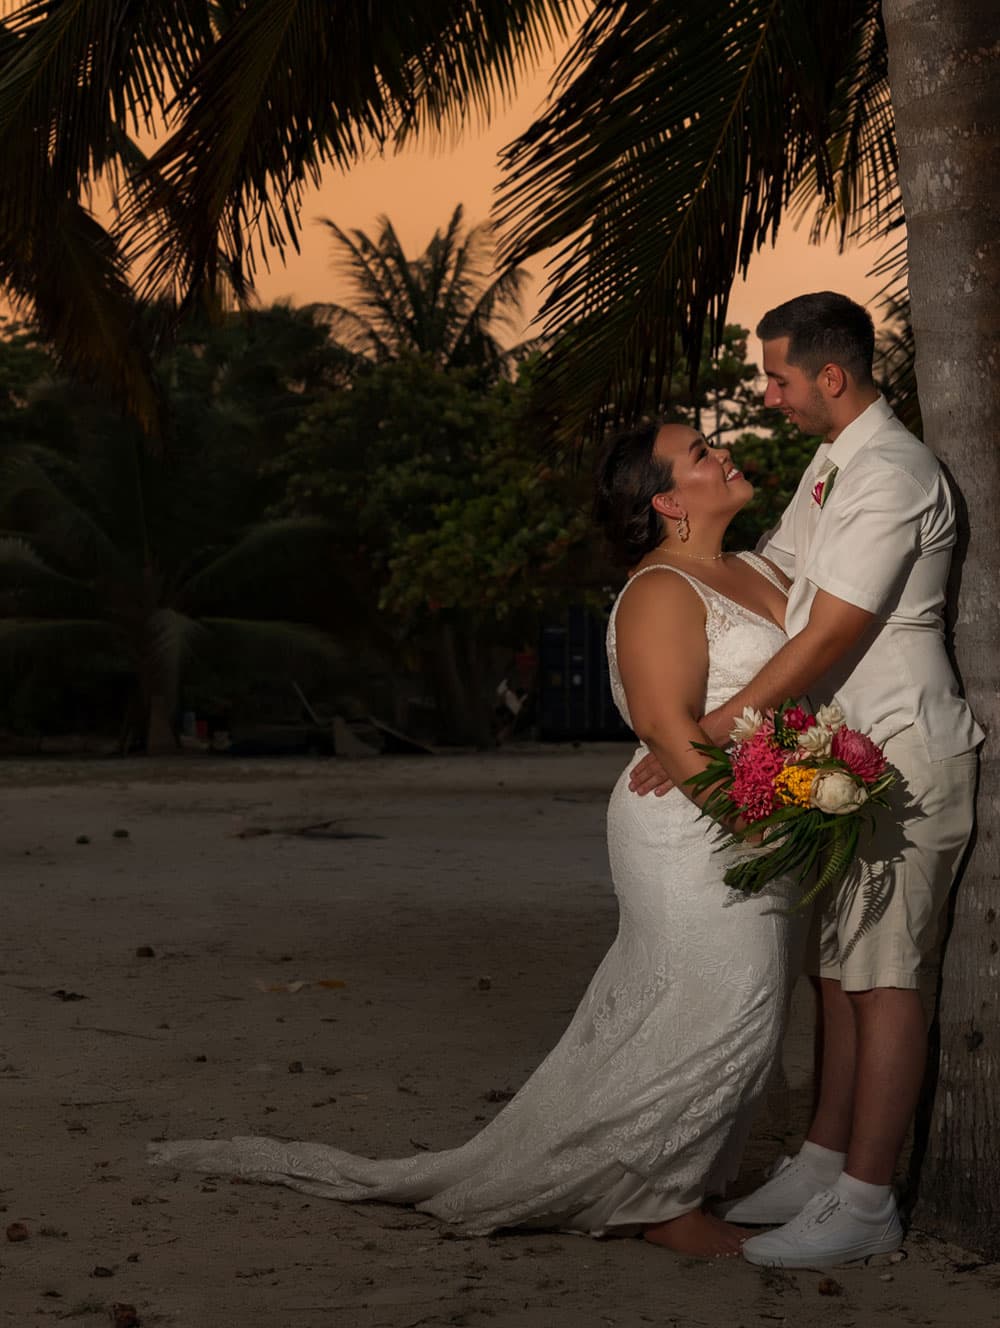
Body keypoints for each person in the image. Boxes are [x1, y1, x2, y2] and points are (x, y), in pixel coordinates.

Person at [151, 420, 799, 1258]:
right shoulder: (660, 591)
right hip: (694, 827)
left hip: (761, 806)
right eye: (703, 453)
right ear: (669, 501)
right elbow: (666, 733)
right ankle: (663, 1201)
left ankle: (679, 1171)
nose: (725, 453)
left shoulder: (752, 569)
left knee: (736, 998)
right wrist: (766, 827)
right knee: (725, 994)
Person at [628, 291, 982, 1268]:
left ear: (830, 375)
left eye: (780, 378)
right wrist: (670, 581)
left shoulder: (893, 470)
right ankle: (824, 1160)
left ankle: (867, 1198)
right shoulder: (834, 462)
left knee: (885, 975)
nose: (770, 398)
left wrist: (710, 722)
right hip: (836, 751)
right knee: (836, 968)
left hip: (903, 749)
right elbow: (778, 564)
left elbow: (831, 626)